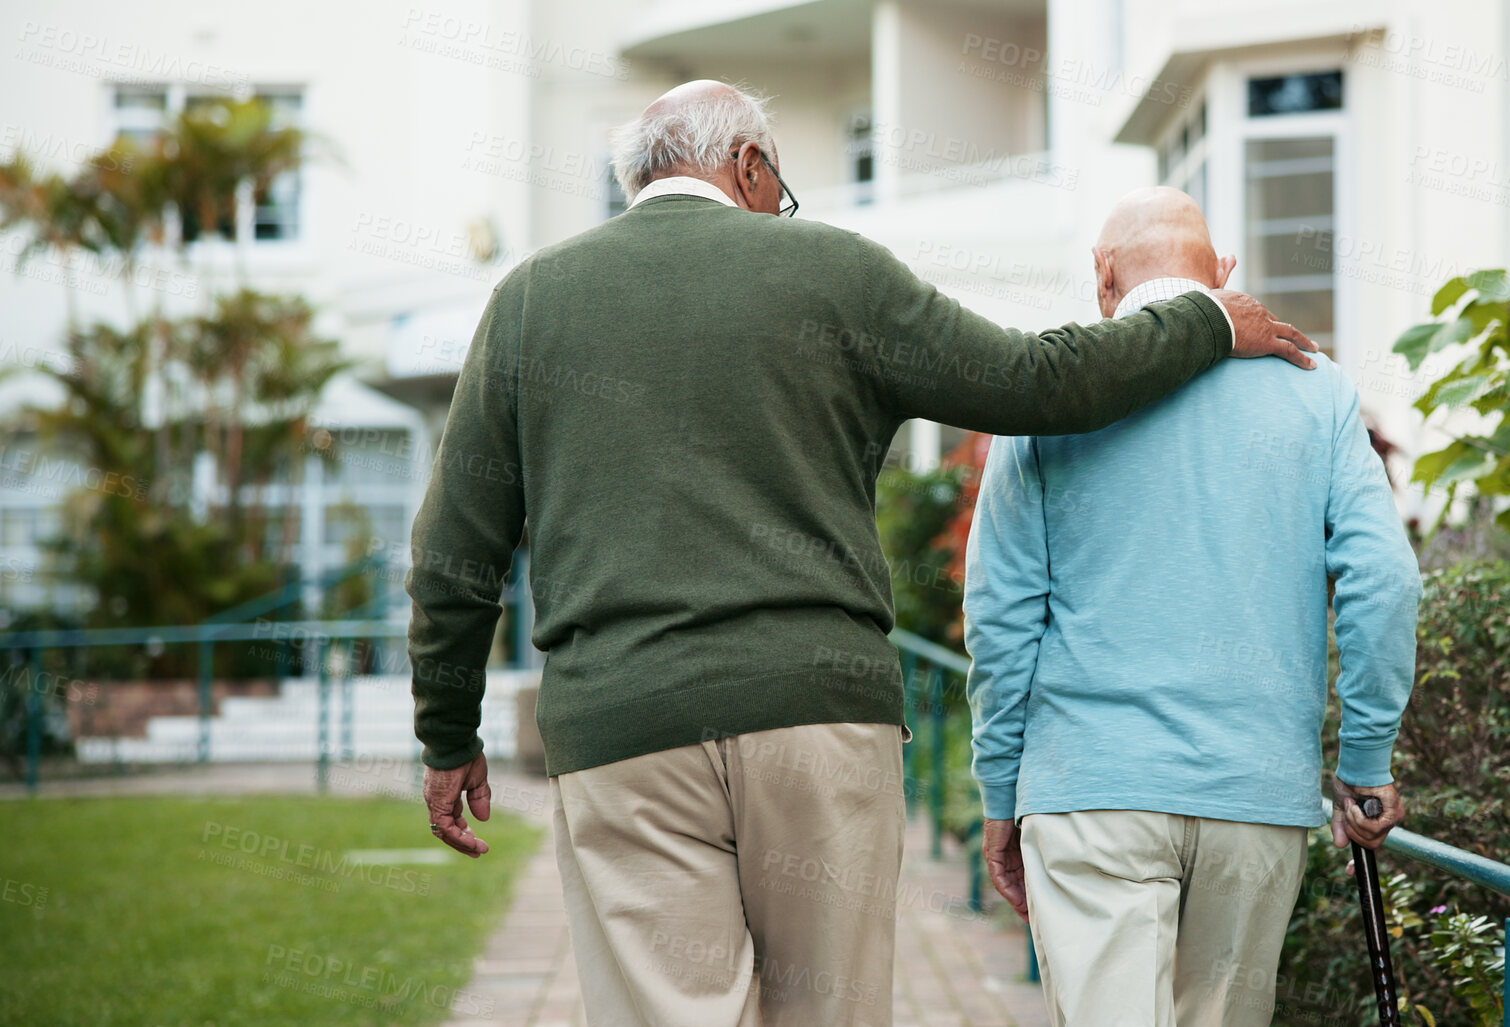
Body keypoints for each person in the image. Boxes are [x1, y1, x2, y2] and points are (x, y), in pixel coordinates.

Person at [408, 82, 1317, 1027]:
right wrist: (1204, 320)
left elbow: (452, 551)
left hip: (625, 730)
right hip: (818, 718)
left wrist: (445, 733)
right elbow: (1035, 382)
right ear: (749, 167)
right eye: (777, 189)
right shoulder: (833, 273)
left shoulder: (531, 299)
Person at [965, 187, 1421, 1027]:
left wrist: (1000, 791)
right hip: (1254, 792)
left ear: (1103, 278)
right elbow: (1383, 578)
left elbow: (1001, 621)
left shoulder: (1049, 402)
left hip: (1088, 792)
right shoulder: (1316, 392)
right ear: (1222, 275)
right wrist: (1364, 758)